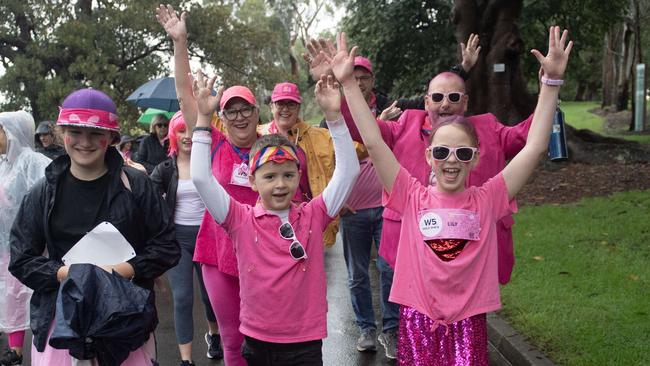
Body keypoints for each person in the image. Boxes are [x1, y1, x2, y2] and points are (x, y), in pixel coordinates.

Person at [329, 28, 571, 365]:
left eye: (461, 153)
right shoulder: (410, 195)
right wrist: (348, 84)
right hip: (417, 322)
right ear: (428, 156)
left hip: (468, 324)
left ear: (474, 157)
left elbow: (535, 146)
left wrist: (552, 84)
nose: (451, 160)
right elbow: (372, 142)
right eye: (441, 152)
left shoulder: (489, 199)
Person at [309, 37, 533, 286]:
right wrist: (341, 88)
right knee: (402, 302)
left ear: (465, 103)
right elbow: (365, 131)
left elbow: (529, 138)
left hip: (474, 253)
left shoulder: (489, 129)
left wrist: (550, 87)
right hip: (412, 246)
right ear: (427, 103)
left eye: (453, 98)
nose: (445, 104)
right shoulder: (405, 125)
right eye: (437, 97)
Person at [191, 70, 359, 365]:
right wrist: (204, 121)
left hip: (305, 342)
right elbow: (201, 179)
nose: (280, 184)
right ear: (253, 181)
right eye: (269, 176)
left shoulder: (314, 214)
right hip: (257, 343)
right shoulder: (239, 220)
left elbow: (349, 171)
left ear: (299, 176)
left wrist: (334, 115)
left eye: (288, 175)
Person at [9, 88, 180, 365]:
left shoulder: (136, 185)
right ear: (61, 133)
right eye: (75, 132)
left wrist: (120, 272)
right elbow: (21, 258)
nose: (84, 142)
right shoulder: (43, 192)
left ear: (111, 138)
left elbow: (167, 245)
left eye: (95, 133)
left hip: (126, 321)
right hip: (60, 322)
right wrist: (70, 274)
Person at [157, 5, 264, 365]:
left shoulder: (274, 150)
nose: (239, 116)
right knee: (232, 338)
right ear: (223, 115)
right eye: (231, 110)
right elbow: (187, 97)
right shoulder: (213, 142)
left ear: (256, 113)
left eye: (245, 109)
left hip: (264, 255)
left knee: (265, 337)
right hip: (217, 253)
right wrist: (180, 42)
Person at [150, 111, 222, 366]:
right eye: (181, 130)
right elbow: (146, 197)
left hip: (209, 238)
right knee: (182, 298)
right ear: (173, 135)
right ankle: (186, 359)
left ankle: (214, 335)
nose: (187, 136)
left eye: (191, 130)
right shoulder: (165, 169)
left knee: (210, 296)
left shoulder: (212, 162)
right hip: (178, 240)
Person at [0, 112, 51, 366]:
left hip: (36, 248)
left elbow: (46, 199)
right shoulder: (3, 164)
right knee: (13, 296)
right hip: (9, 245)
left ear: (12, 132)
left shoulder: (34, 161)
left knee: (38, 297)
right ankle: (16, 351)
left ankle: (44, 351)